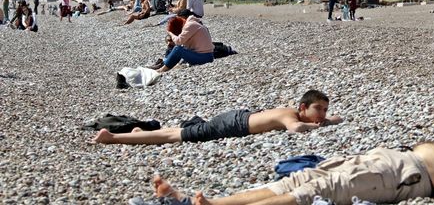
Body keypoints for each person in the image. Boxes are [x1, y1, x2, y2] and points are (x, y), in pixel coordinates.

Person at [134, 122, 434, 205]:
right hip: (399, 159)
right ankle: (213, 201)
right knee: (303, 179)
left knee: (314, 193)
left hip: (408, 175)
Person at [92, 90, 343, 146]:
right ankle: (112, 137)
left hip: (237, 118)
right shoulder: (292, 116)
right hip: (232, 124)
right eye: (318, 109)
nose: (321, 114)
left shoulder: (290, 110)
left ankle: (138, 133)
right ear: (303, 107)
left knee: (186, 131)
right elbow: (295, 129)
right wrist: (322, 125)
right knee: (176, 136)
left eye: (323, 110)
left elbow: (338, 118)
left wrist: (328, 119)